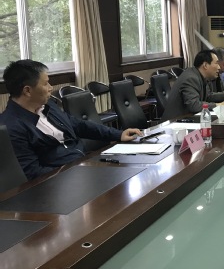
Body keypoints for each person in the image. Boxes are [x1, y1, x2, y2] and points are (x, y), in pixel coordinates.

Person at [0, 59, 143, 180]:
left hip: (84, 165)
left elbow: (77, 125)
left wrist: (118, 134)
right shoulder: (11, 127)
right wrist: (75, 173)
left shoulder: (48, 105)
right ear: (27, 90)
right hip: (60, 181)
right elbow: (33, 173)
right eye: (45, 84)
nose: (50, 88)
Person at [161, 50, 224, 121]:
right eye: (216, 63)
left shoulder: (199, 75)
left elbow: (208, 96)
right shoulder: (191, 78)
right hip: (175, 122)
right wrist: (218, 105)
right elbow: (195, 105)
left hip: (188, 119)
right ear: (205, 65)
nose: (219, 67)